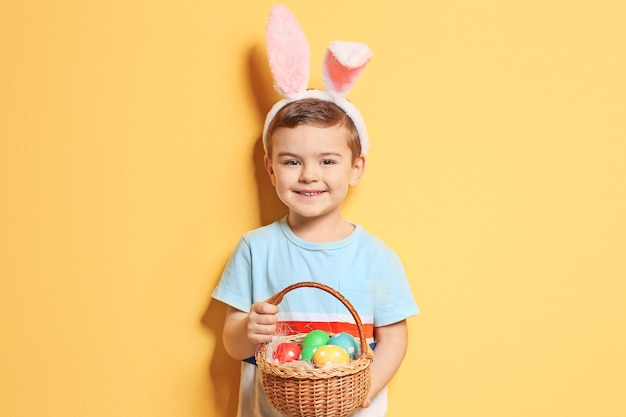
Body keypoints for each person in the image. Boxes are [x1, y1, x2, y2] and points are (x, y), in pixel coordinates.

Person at [211, 5, 419, 416]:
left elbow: (395, 337)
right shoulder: (256, 248)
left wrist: (366, 390)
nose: (309, 176)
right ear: (271, 169)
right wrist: (247, 331)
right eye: (292, 161)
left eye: (327, 161)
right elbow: (233, 344)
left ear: (355, 168)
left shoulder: (377, 257)